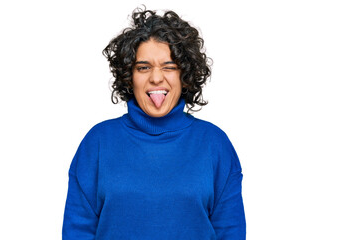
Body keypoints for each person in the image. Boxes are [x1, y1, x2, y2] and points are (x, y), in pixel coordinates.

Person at [62, 7, 246, 240]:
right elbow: (78, 231)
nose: (156, 77)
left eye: (169, 67)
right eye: (143, 67)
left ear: (185, 75)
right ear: (129, 76)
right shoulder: (97, 142)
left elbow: (230, 231)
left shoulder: (214, 144)